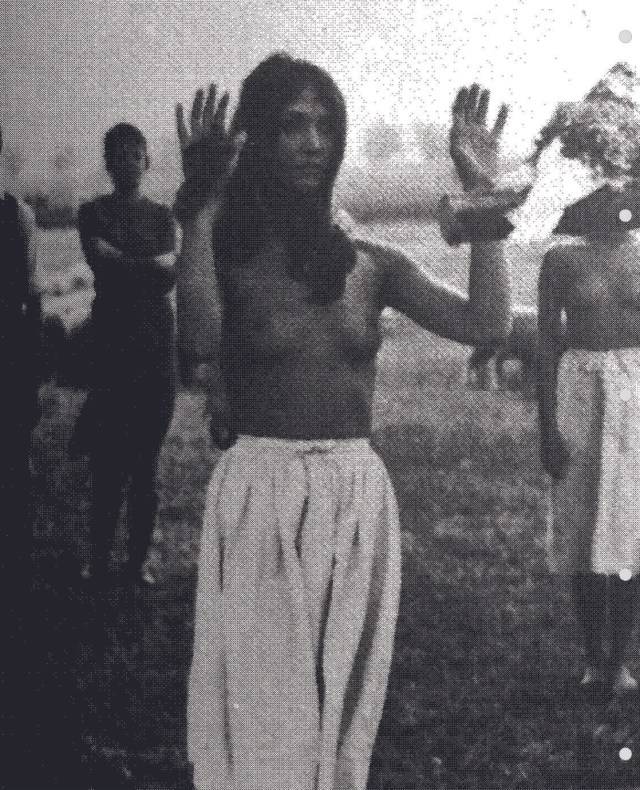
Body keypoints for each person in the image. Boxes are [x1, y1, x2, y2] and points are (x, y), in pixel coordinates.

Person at [174, 55, 515, 790]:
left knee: (341, 715)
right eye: (293, 124)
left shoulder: (371, 263)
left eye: (326, 125)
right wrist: (200, 209)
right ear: (258, 138)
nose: (312, 141)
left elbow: (485, 324)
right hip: (261, 493)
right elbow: (197, 348)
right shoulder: (229, 252)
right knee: (265, 720)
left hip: (356, 500)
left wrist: (483, 204)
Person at [539, 179, 640, 696]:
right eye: (603, 197)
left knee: (627, 527)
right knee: (581, 524)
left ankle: (620, 659)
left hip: (634, 395)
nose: (617, 204)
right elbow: (546, 343)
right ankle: (594, 657)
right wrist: (547, 428)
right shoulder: (561, 260)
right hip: (579, 390)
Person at [73, 122, 177, 587]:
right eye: (118, 155)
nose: (128, 162)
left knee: (146, 462)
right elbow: (100, 258)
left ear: (147, 161)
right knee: (107, 460)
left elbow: (170, 273)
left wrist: (125, 260)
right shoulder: (92, 212)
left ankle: (137, 563)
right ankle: (98, 560)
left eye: (136, 154)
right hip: (113, 345)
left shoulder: (162, 216)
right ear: (108, 163)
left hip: (155, 346)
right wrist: (148, 265)